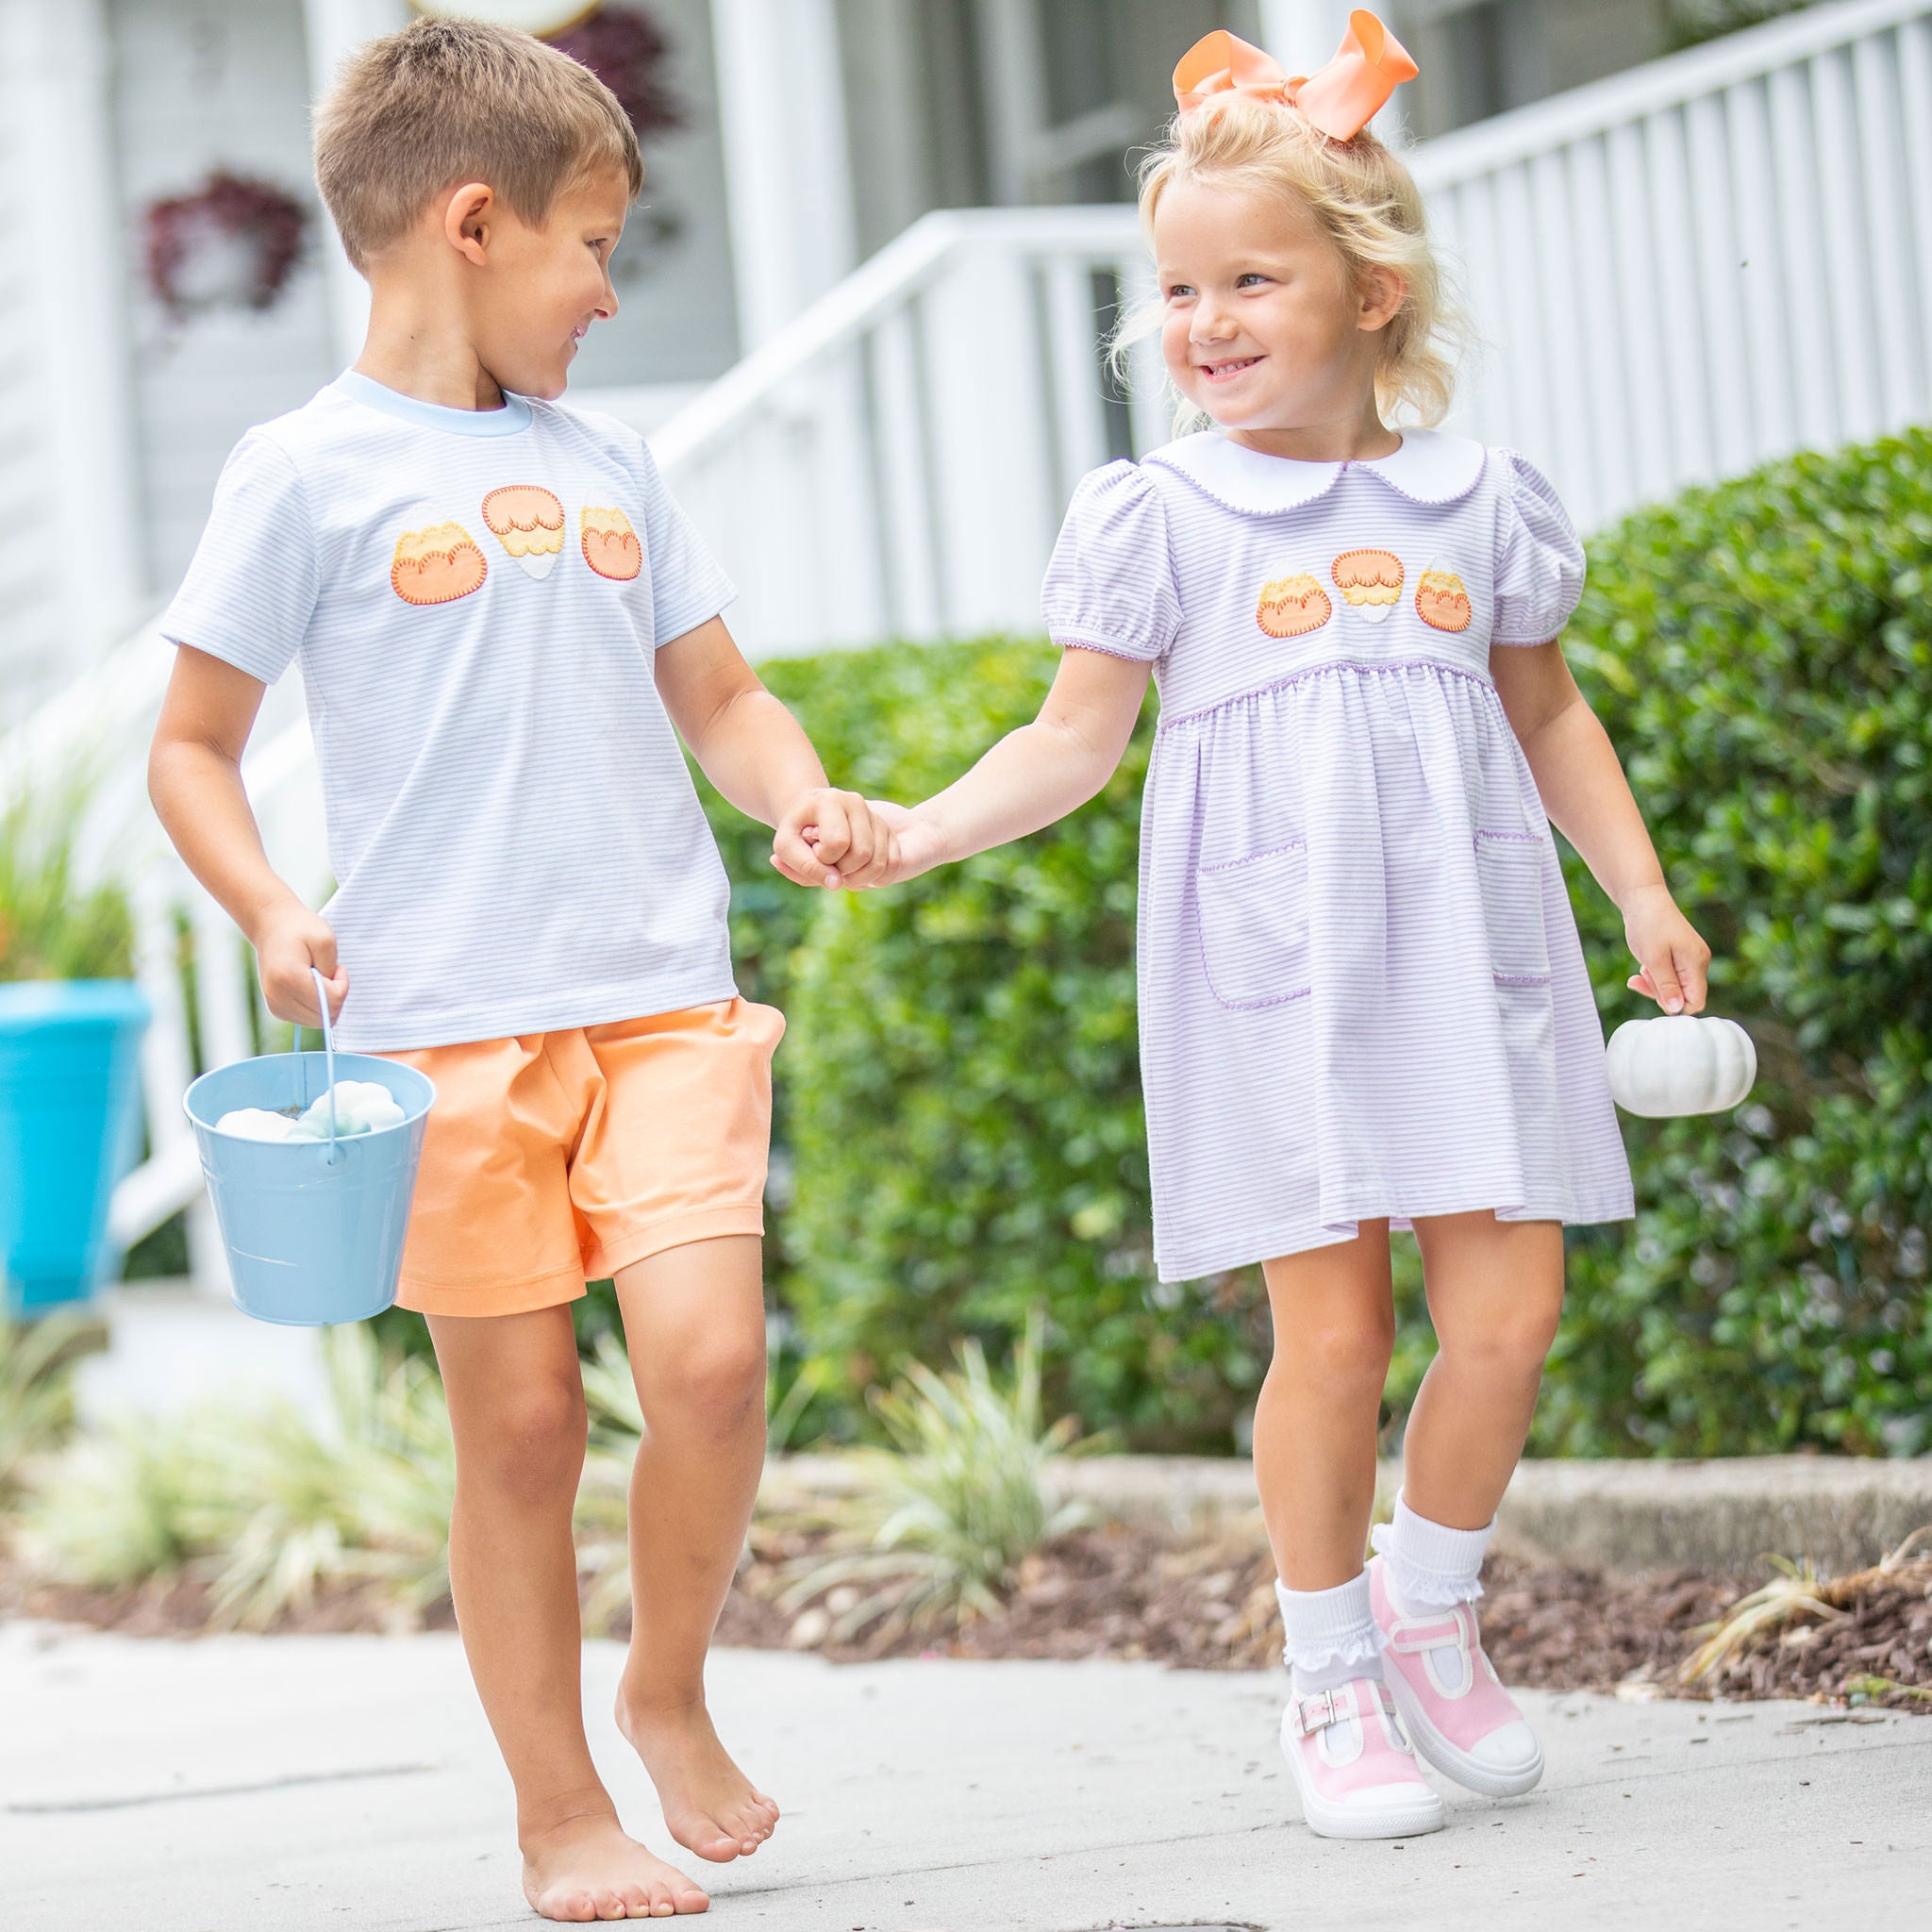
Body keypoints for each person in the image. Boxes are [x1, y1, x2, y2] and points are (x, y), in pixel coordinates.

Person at [863, 17, 1709, 1840]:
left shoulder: (1479, 500)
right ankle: (1328, 1673)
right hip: (1279, 972)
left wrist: (1635, 885)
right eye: (1179, 287)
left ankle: (1429, 1610)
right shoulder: (1163, 513)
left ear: (1374, 288)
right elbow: (1072, 737)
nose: (1209, 318)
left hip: (1473, 953)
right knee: (1328, 1342)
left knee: (1512, 1311)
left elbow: (1548, 713)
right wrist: (921, 833)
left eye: (1254, 275)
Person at [147, 19, 896, 1918]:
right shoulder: (300, 473)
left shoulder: (613, 458)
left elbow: (718, 694)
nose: (606, 287)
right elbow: (189, 745)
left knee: (712, 1368)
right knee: (526, 1426)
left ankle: (665, 1685)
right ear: (471, 223)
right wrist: (263, 905)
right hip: (444, 1041)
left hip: (653, 996)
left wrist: (795, 793)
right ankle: (558, 1812)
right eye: (591, 244)